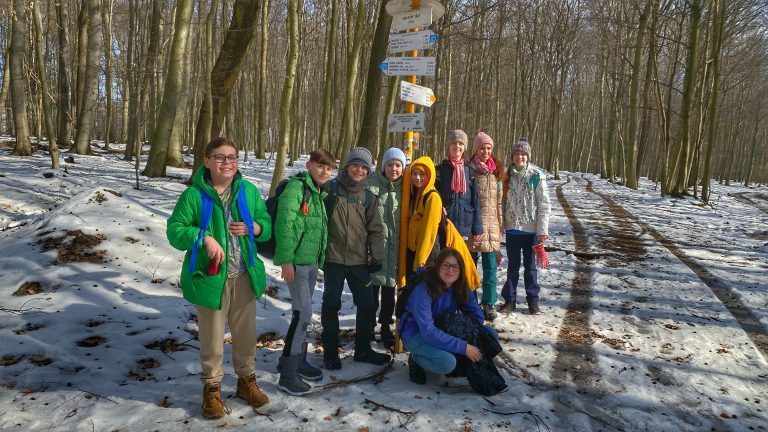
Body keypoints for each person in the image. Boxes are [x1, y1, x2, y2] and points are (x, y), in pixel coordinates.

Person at [166, 137, 271, 419]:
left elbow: (267, 226)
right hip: (211, 279)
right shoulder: (194, 195)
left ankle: (246, 383)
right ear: (207, 161)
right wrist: (204, 238)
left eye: (232, 157)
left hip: (244, 275)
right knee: (212, 339)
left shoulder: (247, 191)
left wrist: (256, 228)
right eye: (221, 157)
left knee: (246, 336)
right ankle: (211, 389)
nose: (228, 163)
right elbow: (175, 230)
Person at [321, 147, 390, 370]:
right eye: (355, 165)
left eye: (364, 167)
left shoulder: (368, 197)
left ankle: (362, 350)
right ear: (347, 166)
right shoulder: (330, 189)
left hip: (359, 261)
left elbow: (376, 229)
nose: (359, 170)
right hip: (333, 260)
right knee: (331, 305)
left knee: (367, 305)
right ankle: (330, 353)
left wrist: (377, 256)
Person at [273, 148, 335, 395]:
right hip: (296, 264)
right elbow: (285, 224)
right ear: (309, 165)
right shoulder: (296, 188)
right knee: (303, 315)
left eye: (329, 169)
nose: (325, 172)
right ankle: (287, 374)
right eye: (321, 166)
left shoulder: (318, 192)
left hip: (310, 264)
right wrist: (285, 260)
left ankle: (297, 360)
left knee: (303, 313)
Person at [397, 248, 503, 392]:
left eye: (455, 266)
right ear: (438, 266)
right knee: (447, 363)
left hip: (443, 327)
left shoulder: (459, 285)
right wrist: (463, 347)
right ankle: (416, 359)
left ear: (460, 269)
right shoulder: (424, 289)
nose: (450, 270)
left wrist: (468, 332)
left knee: (490, 335)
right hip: (416, 333)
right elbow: (428, 331)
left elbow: (476, 314)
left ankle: (455, 356)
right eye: (445, 265)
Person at [500, 137, 551, 315]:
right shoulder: (507, 176)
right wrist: (501, 226)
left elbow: (544, 204)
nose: (519, 157)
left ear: (528, 157)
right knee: (512, 266)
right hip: (513, 229)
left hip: (531, 231)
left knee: (530, 267)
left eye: (523, 154)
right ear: (512, 156)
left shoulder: (536, 176)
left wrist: (542, 230)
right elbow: (503, 201)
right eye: (516, 154)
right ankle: (510, 300)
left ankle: (533, 301)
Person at [366, 148, 406, 349]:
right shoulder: (372, 186)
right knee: (372, 293)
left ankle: (385, 327)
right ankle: (368, 327)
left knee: (390, 294)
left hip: (395, 251)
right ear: (383, 167)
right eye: (390, 165)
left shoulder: (405, 188)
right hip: (376, 250)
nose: (394, 169)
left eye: (398, 165)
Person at [468, 132, 504, 321]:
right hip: (475, 228)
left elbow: (499, 202)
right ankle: (471, 302)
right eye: (482, 148)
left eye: (489, 148)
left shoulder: (495, 173)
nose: (486, 151)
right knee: (471, 268)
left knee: (490, 268)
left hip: (492, 229)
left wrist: (500, 225)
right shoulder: (470, 171)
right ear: (476, 149)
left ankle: (489, 303)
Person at [435, 129, 483, 257]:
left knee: (462, 260)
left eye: (461, 144)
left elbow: (475, 200)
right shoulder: (440, 170)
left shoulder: (470, 170)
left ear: (465, 147)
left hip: (465, 225)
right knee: (444, 258)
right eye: (454, 143)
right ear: (448, 146)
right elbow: (435, 195)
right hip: (445, 223)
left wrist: (477, 228)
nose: (457, 147)